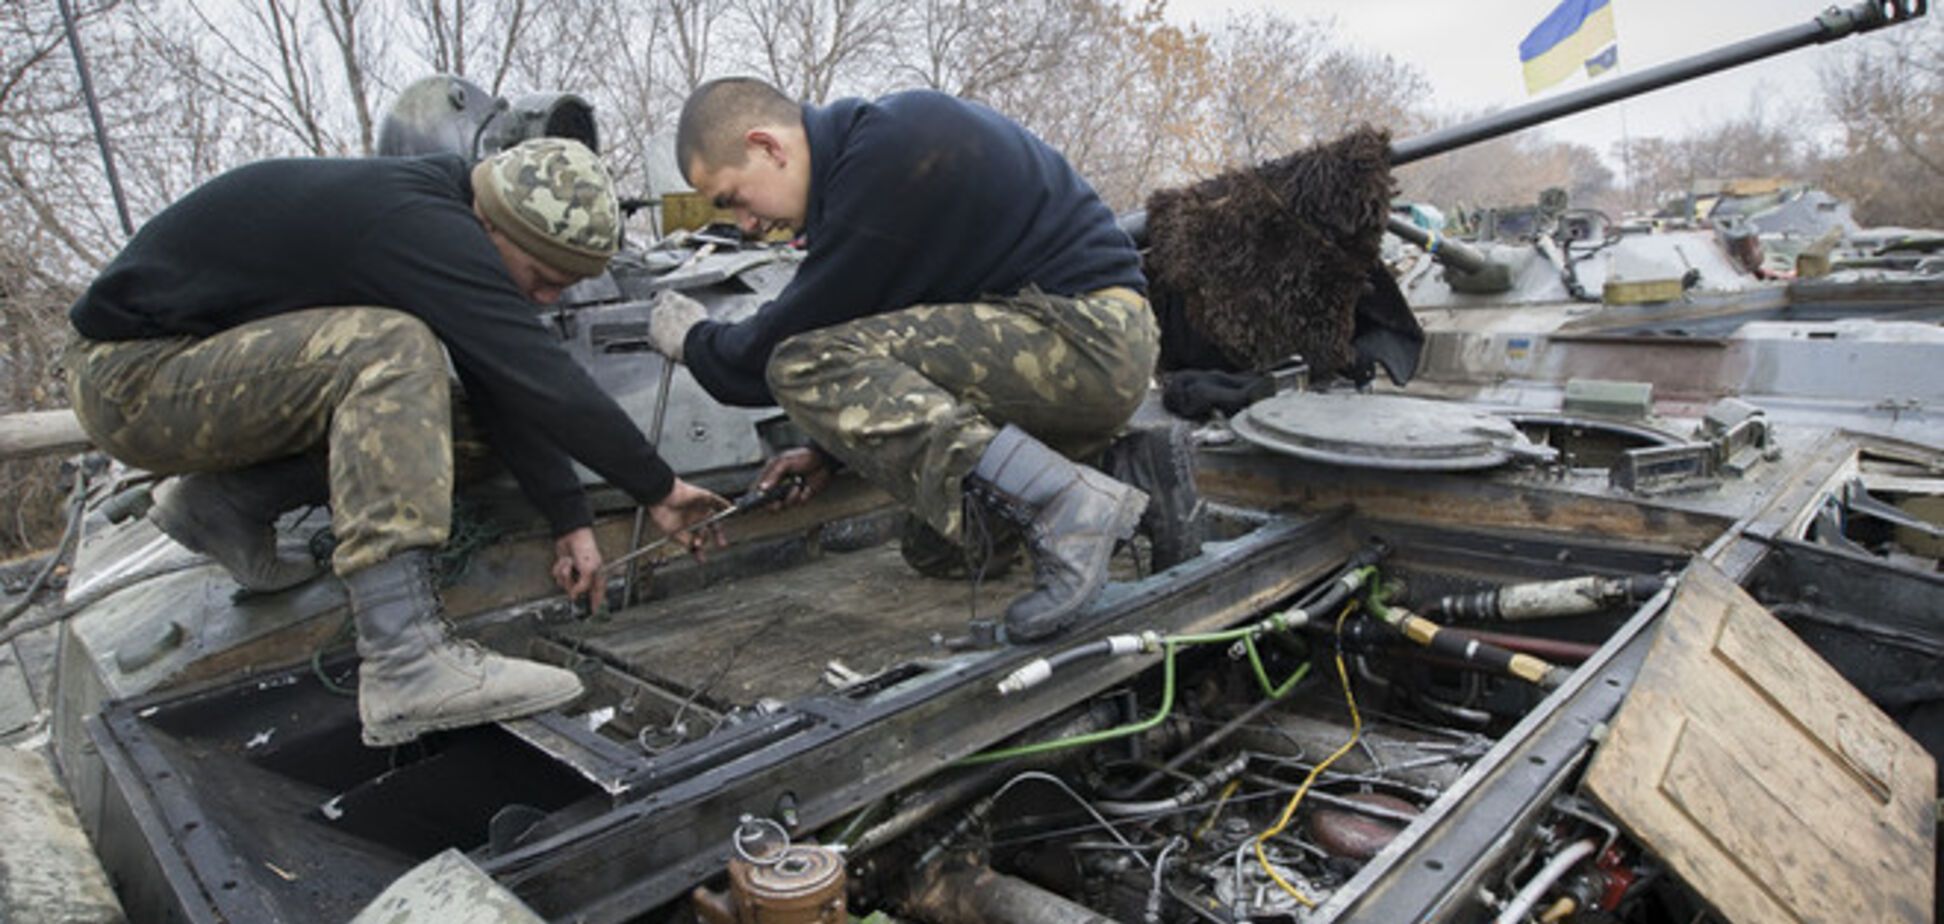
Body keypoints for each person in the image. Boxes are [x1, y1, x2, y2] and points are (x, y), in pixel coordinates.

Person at [64, 137, 730, 747]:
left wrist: (569, 518)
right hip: (135, 379)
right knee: (391, 349)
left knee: (453, 423)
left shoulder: (445, 205)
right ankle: (405, 661)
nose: (547, 296)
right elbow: (539, 373)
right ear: (494, 225)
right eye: (542, 275)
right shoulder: (420, 225)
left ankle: (227, 506)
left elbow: (500, 382)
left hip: (196, 373)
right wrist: (660, 487)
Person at [648, 77, 1176, 643]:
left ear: (768, 147)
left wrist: (694, 340)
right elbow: (902, 336)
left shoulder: (889, 150)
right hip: (1068, 353)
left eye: (733, 199)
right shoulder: (873, 163)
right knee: (944, 548)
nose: (746, 225)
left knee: (798, 363)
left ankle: (1062, 503)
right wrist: (827, 455)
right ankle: (1120, 472)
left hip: (1088, 337)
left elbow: (782, 347)